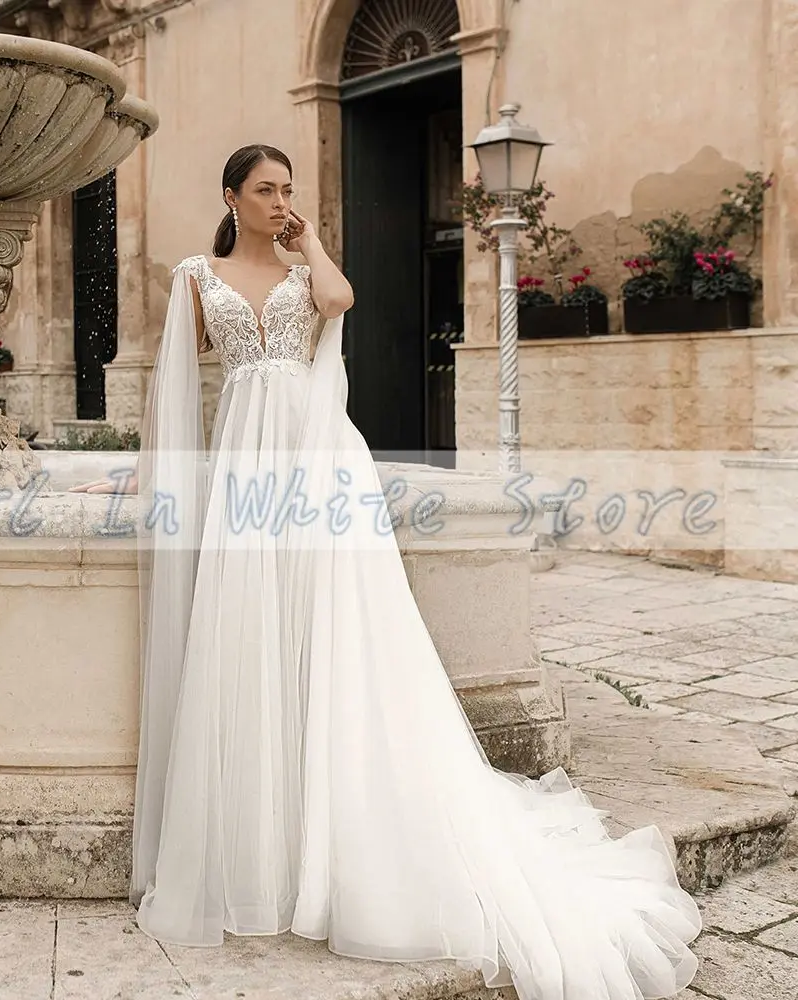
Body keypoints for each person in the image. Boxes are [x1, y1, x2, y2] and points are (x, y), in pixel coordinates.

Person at [70, 145, 701, 1000]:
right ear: (231, 196)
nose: (279, 200)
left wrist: (312, 236)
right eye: (266, 190)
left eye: (288, 188)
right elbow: (175, 382)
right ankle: (266, 849)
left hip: (322, 463)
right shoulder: (195, 274)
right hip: (246, 469)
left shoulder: (306, 275)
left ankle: (341, 845)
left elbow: (338, 300)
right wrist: (165, 477)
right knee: (251, 643)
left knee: (338, 639)